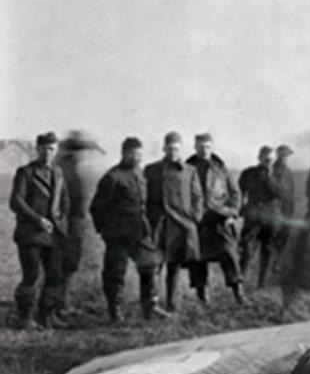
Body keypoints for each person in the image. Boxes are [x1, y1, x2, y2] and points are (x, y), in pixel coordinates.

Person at [90, 137, 167, 323]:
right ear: (123, 153)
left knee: (149, 265)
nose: (137, 157)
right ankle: (115, 312)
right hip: (118, 234)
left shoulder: (140, 174)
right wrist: (106, 232)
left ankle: (150, 306)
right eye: (133, 153)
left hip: (140, 231)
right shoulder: (112, 177)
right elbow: (96, 207)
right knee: (115, 273)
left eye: (139, 153)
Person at [8, 132, 70, 329]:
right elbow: (16, 201)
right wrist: (38, 220)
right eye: (44, 148)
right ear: (37, 149)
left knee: (54, 275)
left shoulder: (58, 173)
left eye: (51, 149)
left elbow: (65, 201)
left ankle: (47, 315)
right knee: (31, 275)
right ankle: (25, 317)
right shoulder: (25, 172)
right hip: (31, 234)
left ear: (56, 150)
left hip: (53, 235)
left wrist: (60, 222)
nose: (48, 153)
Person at [145, 131, 203, 312]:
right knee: (154, 264)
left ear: (181, 149)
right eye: (169, 148)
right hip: (159, 225)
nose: (173, 152)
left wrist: (194, 218)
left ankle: (172, 304)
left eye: (176, 149)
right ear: (164, 148)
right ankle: (152, 304)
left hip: (181, 225)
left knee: (175, 266)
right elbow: (145, 196)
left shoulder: (190, 171)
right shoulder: (152, 169)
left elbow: (197, 197)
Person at [186, 133, 245, 305]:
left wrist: (231, 214)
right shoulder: (187, 169)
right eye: (201, 146)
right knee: (197, 258)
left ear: (212, 147)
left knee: (229, 253)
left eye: (207, 146)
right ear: (195, 147)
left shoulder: (221, 170)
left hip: (219, 220)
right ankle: (203, 296)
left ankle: (239, 293)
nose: (204, 150)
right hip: (197, 221)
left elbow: (235, 194)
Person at [52, 130, 98, 319]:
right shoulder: (64, 167)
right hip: (67, 222)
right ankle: (58, 306)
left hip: (74, 221)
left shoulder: (66, 165)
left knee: (69, 264)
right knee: (63, 265)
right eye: (81, 149)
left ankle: (62, 303)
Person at [238, 145, 284, 287]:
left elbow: (280, 193)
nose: (267, 162)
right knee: (246, 249)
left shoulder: (280, 174)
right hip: (253, 218)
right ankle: (239, 283)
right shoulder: (249, 173)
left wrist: (269, 178)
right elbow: (241, 188)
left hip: (271, 218)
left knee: (268, 251)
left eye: (270, 159)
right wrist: (243, 203)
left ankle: (262, 284)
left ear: (274, 159)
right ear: (259, 158)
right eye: (265, 158)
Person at [271, 144, 297, 255]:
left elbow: (291, 190)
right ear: (278, 156)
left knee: (286, 233)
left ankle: (277, 256)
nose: (286, 159)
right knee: (275, 233)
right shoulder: (271, 170)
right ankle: (272, 259)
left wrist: (291, 207)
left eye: (287, 156)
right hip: (276, 207)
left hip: (287, 207)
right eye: (284, 156)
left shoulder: (288, 172)